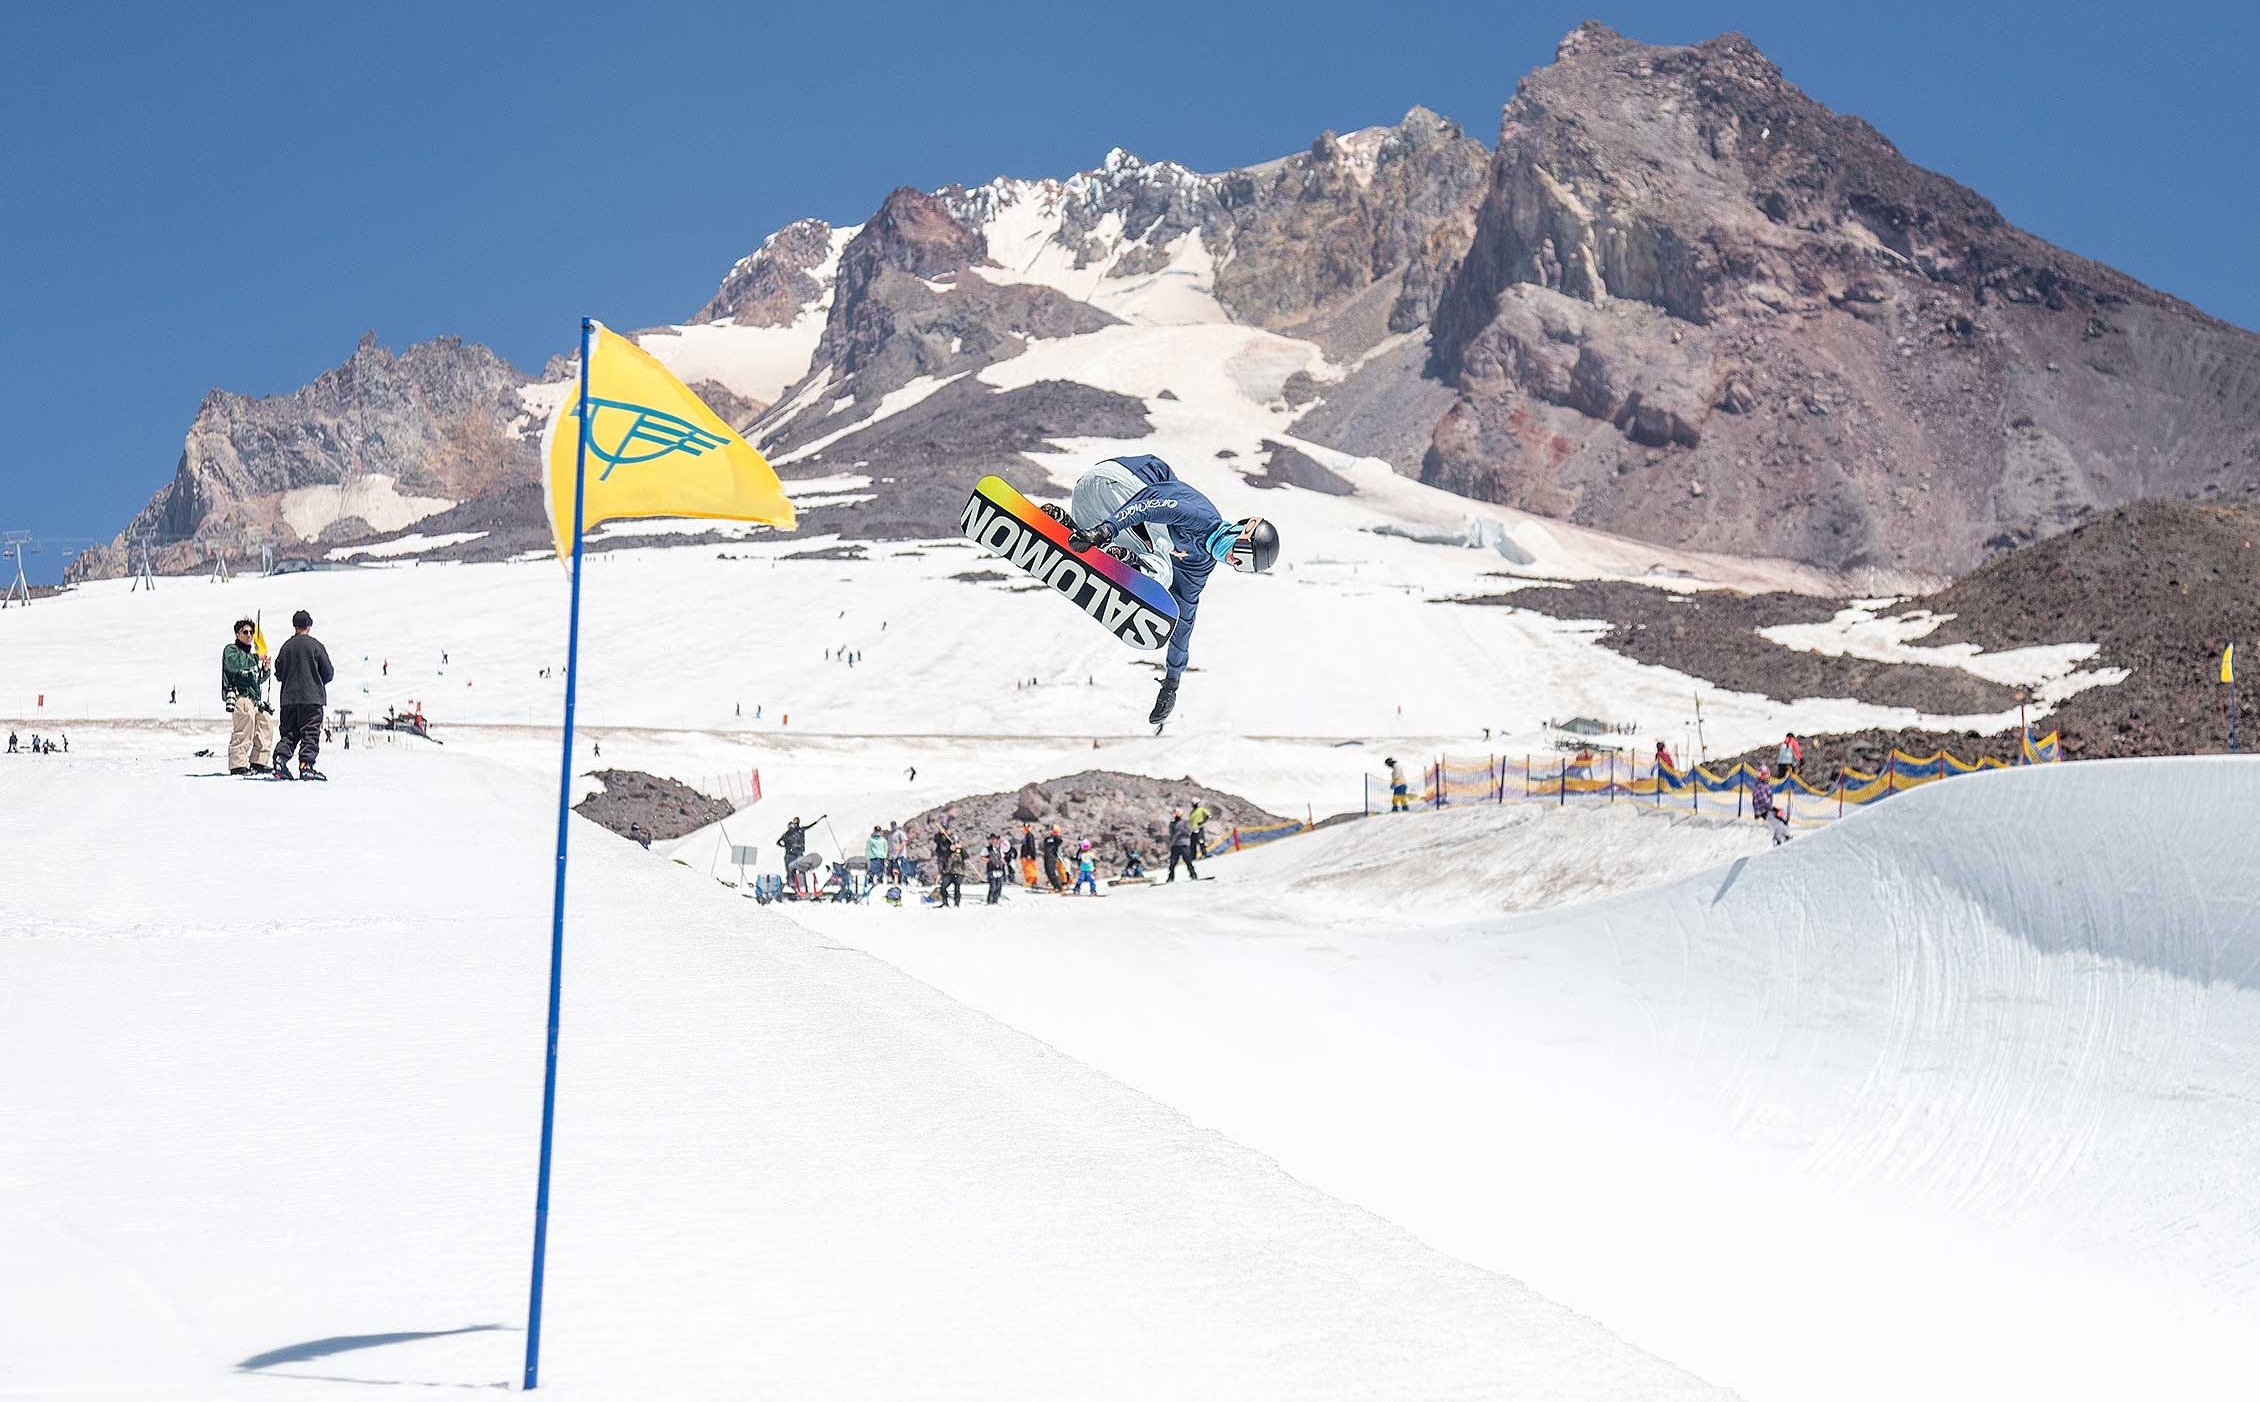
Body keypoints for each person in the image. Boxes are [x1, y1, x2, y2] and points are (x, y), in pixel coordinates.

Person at [1046, 454, 1280, 724]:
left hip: (1090, 507)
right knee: (1161, 570)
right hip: (1116, 484)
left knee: (1157, 571)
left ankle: (1062, 525)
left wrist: (1172, 684)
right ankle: (1128, 562)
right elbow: (1152, 506)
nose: (1234, 560)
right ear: (1244, 528)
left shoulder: (1199, 565)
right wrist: (1107, 530)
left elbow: (1184, 618)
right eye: (1244, 552)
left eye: (1245, 566)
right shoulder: (1203, 517)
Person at [270, 609, 335, 780]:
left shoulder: (286, 647)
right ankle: (306, 765)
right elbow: (328, 673)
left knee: (289, 732)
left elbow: (278, 673)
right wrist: (315, 681)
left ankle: (280, 760)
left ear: (294, 625)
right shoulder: (316, 646)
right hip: (311, 698)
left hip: (288, 699)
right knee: (310, 732)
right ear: (309, 625)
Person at [220, 617, 275, 776]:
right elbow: (235, 664)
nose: (249, 635)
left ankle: (259, 761)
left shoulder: (252, 656)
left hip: (254, 698)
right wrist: (257, 658)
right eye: (245, 632)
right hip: (240, 696)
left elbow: (257, 679)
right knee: (245, 728)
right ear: (237, 634)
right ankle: (238, 764)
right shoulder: (231, 651)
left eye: (251, 632)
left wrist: (265, 670)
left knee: (265, 727)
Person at [777, 815, 823, 896]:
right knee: (799, 871)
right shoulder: (799, 831)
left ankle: (797, 887)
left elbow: (778, 842)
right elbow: (809, 826)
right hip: (797, 854)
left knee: (792, 871)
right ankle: (800, 887)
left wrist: (786, 846)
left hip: (791, 854)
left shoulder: (788, 833)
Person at [1752, 765, 1791, 846]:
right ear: (1759, 776)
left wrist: (1774, 809)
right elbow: (1764, 802)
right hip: (1764, 810)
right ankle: (1778, 840)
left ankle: (1786, 835)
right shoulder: (1760, 787)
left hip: (1767, 809)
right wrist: (1774, 809)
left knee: (1782, 818)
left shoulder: (1764, 785)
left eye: (1767, 774)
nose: (1766, 776)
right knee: (1778, 824)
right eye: (1763, 775)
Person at [1167, 808, 1198, 883]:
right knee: (1173, 863)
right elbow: (1171, 834)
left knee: (1188, 861)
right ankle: (1171, 877)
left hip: (1184, 844)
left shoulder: (1184, 822)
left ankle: (1193, 874)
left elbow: (1189, 831)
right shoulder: (1172, 824)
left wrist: (1182, 833)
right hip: (1175, 845)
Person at [937, 838, 966, 908]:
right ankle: (945, 902)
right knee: (943, 887)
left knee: (957, 888)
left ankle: (957, 903)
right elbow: (943, 858)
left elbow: (966, 856)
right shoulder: (948, 852)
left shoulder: (960, 852)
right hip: (949, 872)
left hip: (959, 872)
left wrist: (961, 849)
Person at [983, 836, 1008, 904]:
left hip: (999, 870)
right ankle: (990, 900)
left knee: (999, 886)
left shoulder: (999, 849)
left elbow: (1002, 858)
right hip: (991, 870)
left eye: (995, 840)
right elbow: (982, 857)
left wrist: (1004, 863)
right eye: (992, 840)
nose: (994, 841)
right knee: (993, 886)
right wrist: (989, 860)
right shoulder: (987, 849)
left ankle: (995, 900)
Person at [1041, 825, 1066, 891]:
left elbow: (1059, 841)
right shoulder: (1047, 839)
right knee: (1047, 872)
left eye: (1052, 830)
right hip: (1046, 856)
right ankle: (1055, 886)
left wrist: (1056, 834)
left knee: (1051, 872)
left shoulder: (1057, 839)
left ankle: (1058, 886)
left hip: (1052, 856)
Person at [865, 825, 888, 893]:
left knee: (881, 870)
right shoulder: (871, 840)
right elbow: (868, 848)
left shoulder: (883, 840)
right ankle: (871, 879)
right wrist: (868, 857)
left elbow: (885, 848)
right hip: (873, 857)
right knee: (872, 869)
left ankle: (880, 880)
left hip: (881, 857)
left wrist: (885, 856)